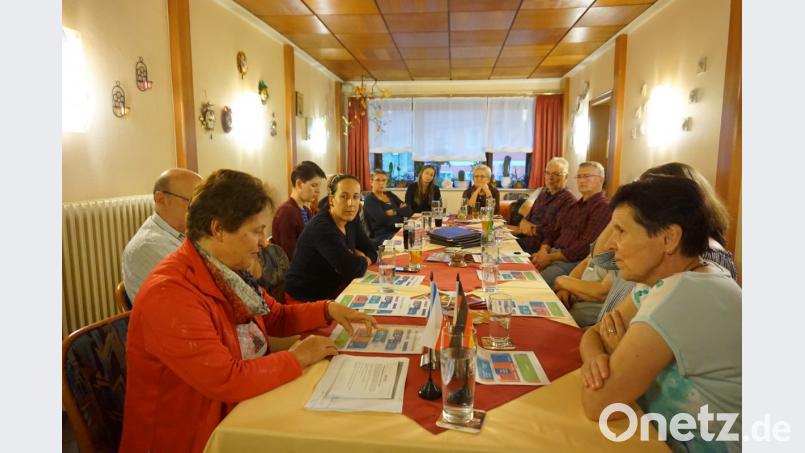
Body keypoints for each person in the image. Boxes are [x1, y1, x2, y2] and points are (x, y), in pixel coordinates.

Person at [120, 169, 377, 453]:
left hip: (237, 409)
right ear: (218, 229)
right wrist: (297, 357)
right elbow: (227, 380)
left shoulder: (227, 271)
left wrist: (328, 309)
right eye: (256, 231)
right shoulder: (170, 293)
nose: (264, 242)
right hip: (193, 433)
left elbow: (275, 316)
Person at [579, 176, 741, 451]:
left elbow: (598, 405)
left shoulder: (682, 293)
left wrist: (615, 352)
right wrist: (597, 357)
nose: (610, 245)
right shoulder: (677, 278)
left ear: (669, 238)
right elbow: (595, 332)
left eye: (621, 231)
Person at [594, 162, 738, 322]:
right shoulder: (648, 246)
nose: (640, 201)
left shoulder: (705, 258)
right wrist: (622, 214)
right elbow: (602, 259)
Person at [284, 174, 378, 302]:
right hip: (305, 298)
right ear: (331, 200)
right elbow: (352, 270)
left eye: (355, 197)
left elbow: (371, 250)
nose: (351, 203)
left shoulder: (351, 218)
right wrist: (363, 259)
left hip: (334, 289)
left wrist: (360, 259)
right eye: (344, 197)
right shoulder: (322, 228)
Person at [121, 168, 202, 302]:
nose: (201, 210)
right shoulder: (148, 246)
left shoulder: (183, 233)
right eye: (193, 202)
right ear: (161, 199)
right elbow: (196, 295)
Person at [532, 161, 610, 287]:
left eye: (587, 176)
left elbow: (585, 247)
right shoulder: (574, 206)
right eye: (579, 177)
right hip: (552, 254)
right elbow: (553, 232)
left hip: (573, 263)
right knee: (520, 272)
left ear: (601, 180)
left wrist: (550, 258)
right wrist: (543, 249)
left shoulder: (603, 208)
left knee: (534, 285)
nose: (582, 181)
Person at [515, 157, 576, 253]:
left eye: (556, 174)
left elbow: (555, 231)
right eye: (547, 173)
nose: (550, 178)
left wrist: (532, 229)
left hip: (539, 249)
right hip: (522, 241)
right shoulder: (543, 195)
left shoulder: (569, 200)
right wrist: (524, 222)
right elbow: (527, 218)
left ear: (566, 177)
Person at [271, 161, 326, 259]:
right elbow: (290, 254)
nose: (318, 191)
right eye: (314, 185)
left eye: (318, 186)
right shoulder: (287, 212)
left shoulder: (305, 210)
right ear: (299, 184)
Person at [363, 169, 413, 243]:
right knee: (410, 239)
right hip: (383, 236)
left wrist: (394, 212)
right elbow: (385, 221)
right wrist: (401, 214)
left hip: (398, 230)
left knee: (418, 235)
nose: (381, 183)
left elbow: (409, 210)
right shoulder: (370, 200)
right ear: (371, 182)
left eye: (384, 180)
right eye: (377, 180)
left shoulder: (390, 194)